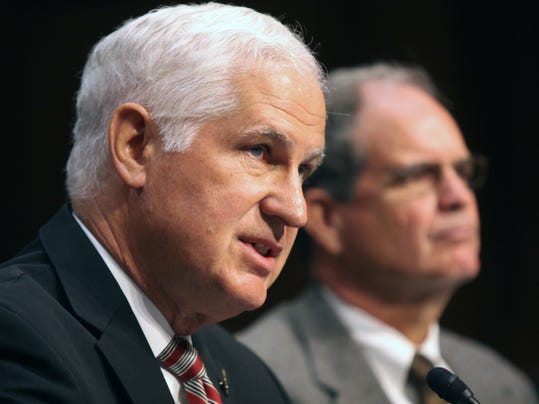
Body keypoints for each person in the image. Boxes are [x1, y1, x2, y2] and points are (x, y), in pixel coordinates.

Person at [0, 3, 327, 403]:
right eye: (260, 151)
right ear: (136, 147)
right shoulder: (16, 336)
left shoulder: (254, 381)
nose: (296, 210)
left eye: (304, 171)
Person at [238, 62, 539, 403]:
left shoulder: (501, 384)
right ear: (327, 218)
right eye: (418, 176)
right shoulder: (259, 379)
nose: (459, 197)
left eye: (463, 171)